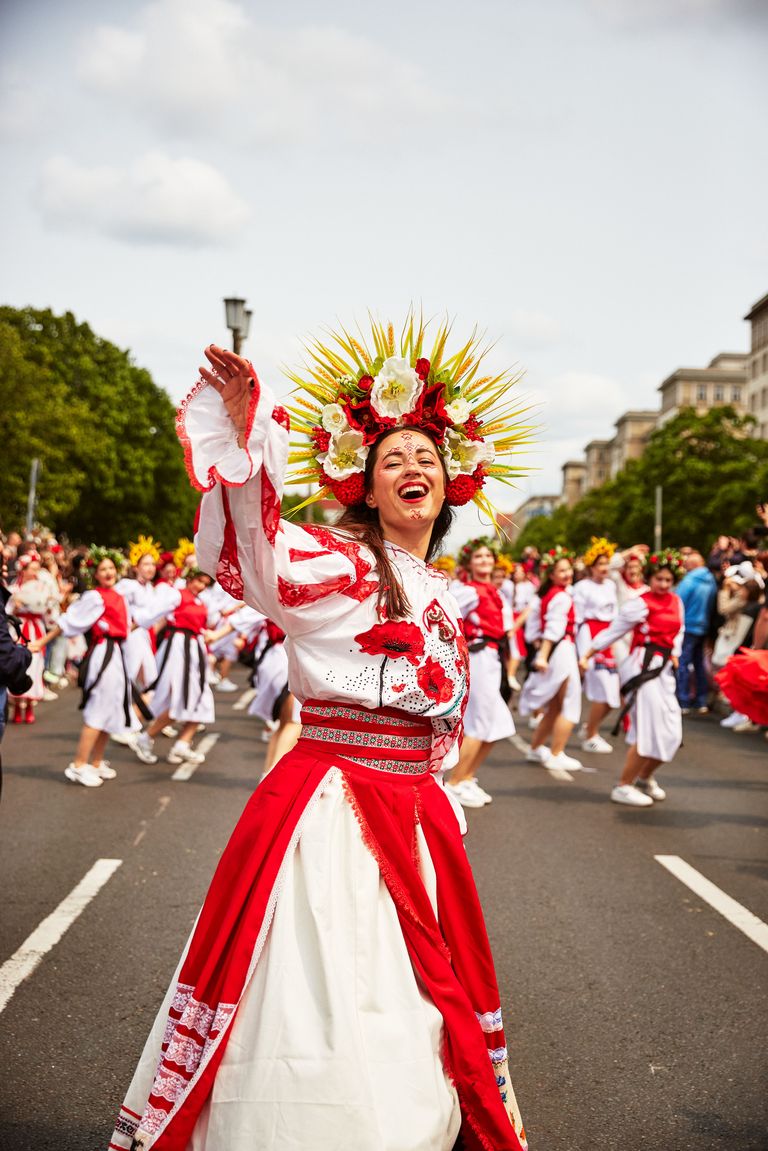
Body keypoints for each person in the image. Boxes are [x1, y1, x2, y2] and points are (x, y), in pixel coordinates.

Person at [109, 318, 529, 1151]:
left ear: (451, 483)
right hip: (334, 817)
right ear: (365, 489)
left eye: (426, 457)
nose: (413, 468)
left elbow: (433, 719)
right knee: (329, 1010)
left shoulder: (443, 590)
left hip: (415, 820)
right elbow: (260, 559)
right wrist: (247, 436)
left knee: (412, 1014)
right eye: (391, 460)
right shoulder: (337, 562)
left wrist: (438, 793)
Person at [580, 551, 685, 807]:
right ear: (651, 578)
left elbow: (679, 630)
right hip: (642, 665)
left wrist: (676, 654)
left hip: (664, 668)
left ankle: (644, 777)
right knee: (648, 729)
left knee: (672, 732)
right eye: (659, 579)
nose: (663, 584)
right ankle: (623, 786)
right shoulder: (640, 602)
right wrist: (589, 654)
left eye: (668, 580)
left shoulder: (676, 601)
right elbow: (615, 630)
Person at [32, 548, 139, 787]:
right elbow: (70, 621)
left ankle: (96, 761)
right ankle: (79, 764)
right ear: (95, 574)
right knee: (98, 708)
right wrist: (41, 642)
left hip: (117, 655)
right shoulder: (95, 597)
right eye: (103, 569)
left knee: (111, 708)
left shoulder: (119, 596)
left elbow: (127, 625)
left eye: (111, 568)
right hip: (104, 655)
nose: (108, 572)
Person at [447, 539, 516, 808]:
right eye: (479, 556)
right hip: (477, 656)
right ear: (470, 563)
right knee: (479, 721)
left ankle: (466, 777)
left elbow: (507, 628)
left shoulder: (495, 592)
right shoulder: (469, 591)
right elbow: (449, 616)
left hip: (493, 657)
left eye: (488, 556)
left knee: (498, 723)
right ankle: (454, 782)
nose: (485, 560)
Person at [130, 569, 222, 768]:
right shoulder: (176, 594)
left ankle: (180, 743)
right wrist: (131, 628)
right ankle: (144, 735)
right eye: (198, 581)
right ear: (189, 578)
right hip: (180, 649)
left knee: (200, 701)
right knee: (182, 699)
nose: (201, 586)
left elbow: (209, 620)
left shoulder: (200, 600)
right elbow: (153, 614)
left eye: (205, 583)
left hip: (194, 649)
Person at [518, 547, 582, 771]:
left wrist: (540, 647)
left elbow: (533, 628)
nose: (567, 574)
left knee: (555, 705)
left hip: (557, 650)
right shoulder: (561, 596)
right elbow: (554, 628)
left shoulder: (546, 594)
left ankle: (536, 748)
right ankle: (557, 753)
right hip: (561, 650)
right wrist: (543, 655)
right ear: (551, 574)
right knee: (569, 704)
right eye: (561, 571)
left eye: (568, 569)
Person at [573, 537, 620, 754]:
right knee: (603, 691)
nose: (604, 568)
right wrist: (582, 653)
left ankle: (589, 728)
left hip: (608, 639)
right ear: (591, 567)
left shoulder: (611, 585)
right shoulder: (582, 587)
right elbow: (578, 619)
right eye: (600, 564)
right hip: (590, 636)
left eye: (606, 564)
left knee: (613, 695)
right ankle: (591, 735)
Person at [7, 551, 58, 724]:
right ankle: (17, 704)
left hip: (36, 628)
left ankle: (29, 705)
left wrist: (49, 606)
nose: (35, 573)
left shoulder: (42, 588)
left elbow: (48, 613)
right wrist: (15, 606)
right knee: (17, 663)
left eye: (37, 569)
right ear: (23, 569)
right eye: (32, 569)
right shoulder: (14, 589)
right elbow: (6, 612)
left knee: (35, 664)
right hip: (19, 628)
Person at [675, 551, 717, 714]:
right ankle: (701, 701)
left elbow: (677, 602)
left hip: (688, 626)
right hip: (703, 626)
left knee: (683, 663)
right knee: (699, 664)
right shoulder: (711, 580)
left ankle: (683, 700)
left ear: (691, 565)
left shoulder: (689, 580)